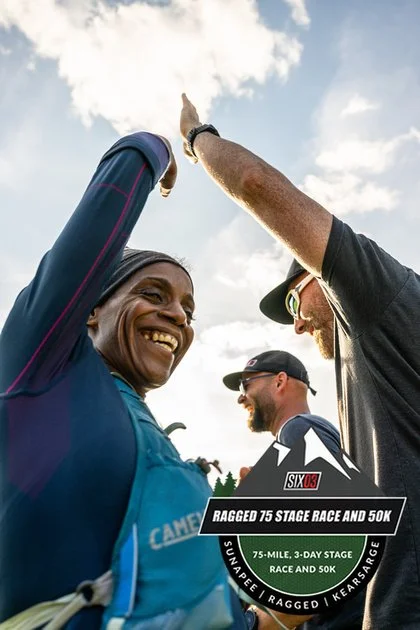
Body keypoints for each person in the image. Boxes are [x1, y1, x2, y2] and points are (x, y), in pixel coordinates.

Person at [179, 94, 420, 629]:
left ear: (321, 277)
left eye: (293, 301)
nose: (295, 323)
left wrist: (197, 139)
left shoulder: (375, 298)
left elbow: (257, 187)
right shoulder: (366, 365)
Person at [0, 132, 248, 628]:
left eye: (188, 308)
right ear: (91, 309)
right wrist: (152, 149)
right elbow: (94, 227)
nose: (177, 316)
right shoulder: (45, 371)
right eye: (154, 294)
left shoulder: (159, 447)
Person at [223, 350, 364, 630]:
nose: (240, 397)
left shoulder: (299, 429)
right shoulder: (305, 435)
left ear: (279, 381)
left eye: (245, 385)